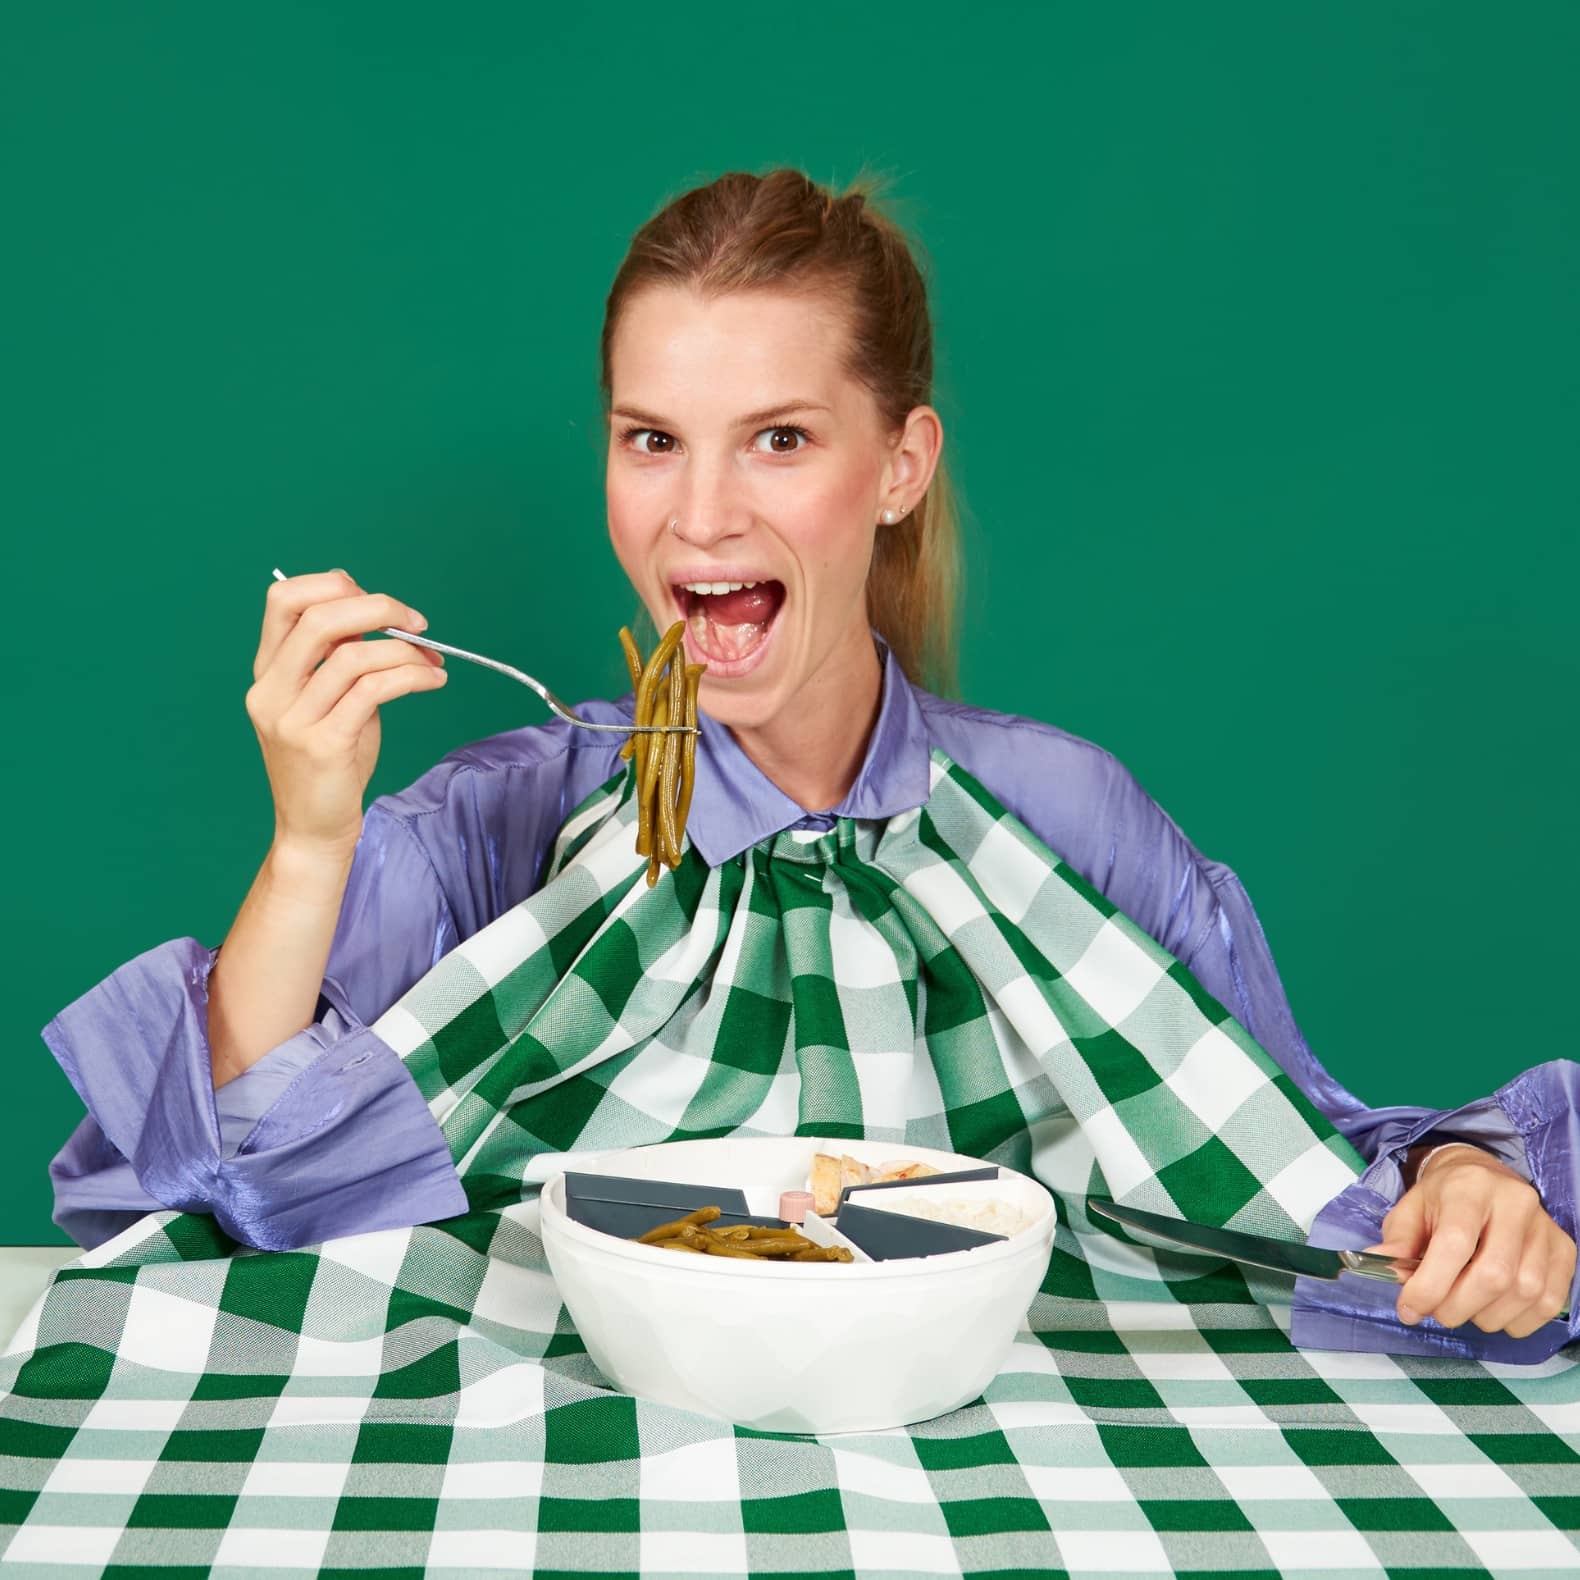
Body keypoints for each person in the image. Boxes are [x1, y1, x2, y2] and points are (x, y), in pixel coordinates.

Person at [42, 167, 1577, 1360]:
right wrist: (309, 840)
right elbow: (213, 1180)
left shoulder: (1061, 817)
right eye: (651, 439)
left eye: (777, 438)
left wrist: (1467, 1183)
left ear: (898, 467)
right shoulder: (511, 819)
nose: (698, 517)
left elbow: (1303, 1149)